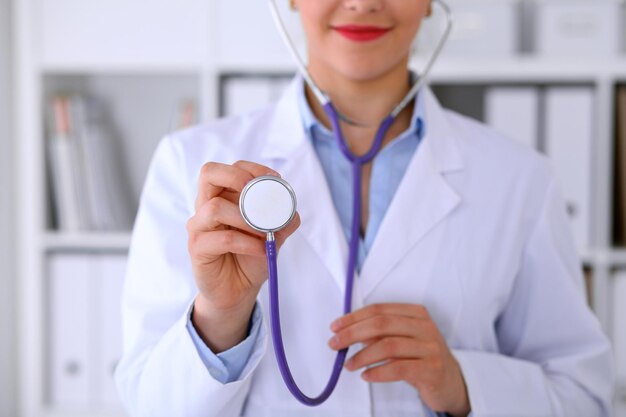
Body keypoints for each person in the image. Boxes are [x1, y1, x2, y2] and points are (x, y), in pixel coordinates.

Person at [114, 0, 614, 416]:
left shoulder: (519, 178)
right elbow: (149, 406)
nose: (362, 2)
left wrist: (463, 384)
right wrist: (219, 318)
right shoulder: (190, 165)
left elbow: (585, 398)